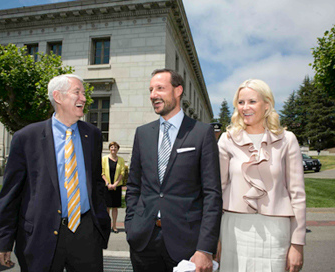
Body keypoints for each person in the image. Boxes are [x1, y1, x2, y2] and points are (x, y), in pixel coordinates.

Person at [0, 74, 111, 272]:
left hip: (86, 234)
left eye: (84, 93)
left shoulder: (93, 135)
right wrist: (3, 240)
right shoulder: (26, 138)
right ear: (58, 97)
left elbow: (96, 183)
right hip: (40, 235)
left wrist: (100, 222)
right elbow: (10, 193)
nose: (84, 98)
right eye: (77, 92)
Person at [125, 68, 222, 272]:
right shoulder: (142, 134)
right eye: (151, 90)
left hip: (187, 244)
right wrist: (132, 226)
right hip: (144, 241)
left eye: (160, 88)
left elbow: (212, 194)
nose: (153, 95)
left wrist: (205, 248)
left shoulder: (201, 133)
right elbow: (134, 185)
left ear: (178, 90)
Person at [216, 79, 306, 272]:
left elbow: (297, 195)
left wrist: (297, 244)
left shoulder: (287, 140)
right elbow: (217, 190)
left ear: (267, 105)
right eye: (241, 102)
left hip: (276, 232)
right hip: (234, 230)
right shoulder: (227, 140)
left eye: (252, 101)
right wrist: (214, 239)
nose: (245, 107)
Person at [102, 141, 125, 233]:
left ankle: (114, 226)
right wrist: (108, 183)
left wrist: (115, 184)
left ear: (117, 149)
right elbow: (102, 172)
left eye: (115, 147)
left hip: (117, 186)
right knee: (107, 207)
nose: (113, 149)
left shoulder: (121, 160)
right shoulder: (104, 159)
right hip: (107, 186)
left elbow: (122, 173)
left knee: (115, 207)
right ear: (109, 149)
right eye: (112, 147)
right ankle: (107, 226)